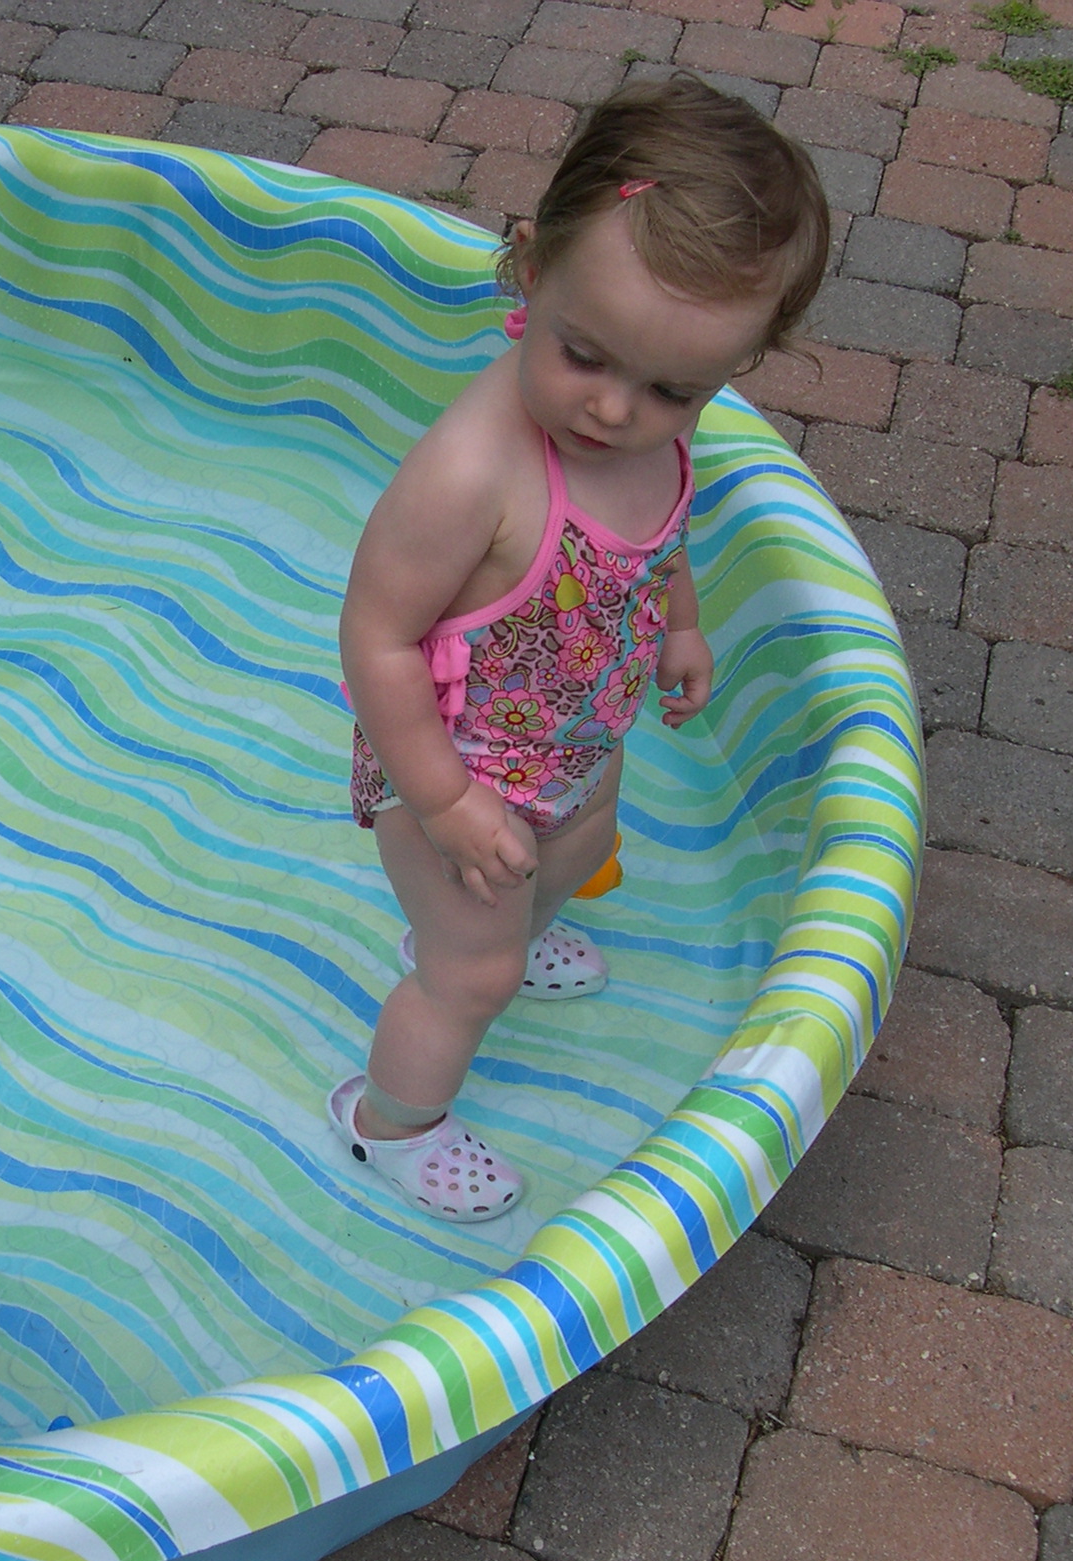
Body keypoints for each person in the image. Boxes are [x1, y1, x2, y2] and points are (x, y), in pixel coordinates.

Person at [334, 74, 830, 1222]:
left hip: (574, 736)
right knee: (473, 972)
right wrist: (447, 800)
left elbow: (657, 538)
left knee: (578, 849)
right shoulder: (473, 471)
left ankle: (510, 916)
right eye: (585, 357)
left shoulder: (656, 434)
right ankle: (387, 1124)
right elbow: (377, 634)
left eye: (672, 389)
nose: (615, 411)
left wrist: (685, 625)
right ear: (528, 268)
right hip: (453, 765)